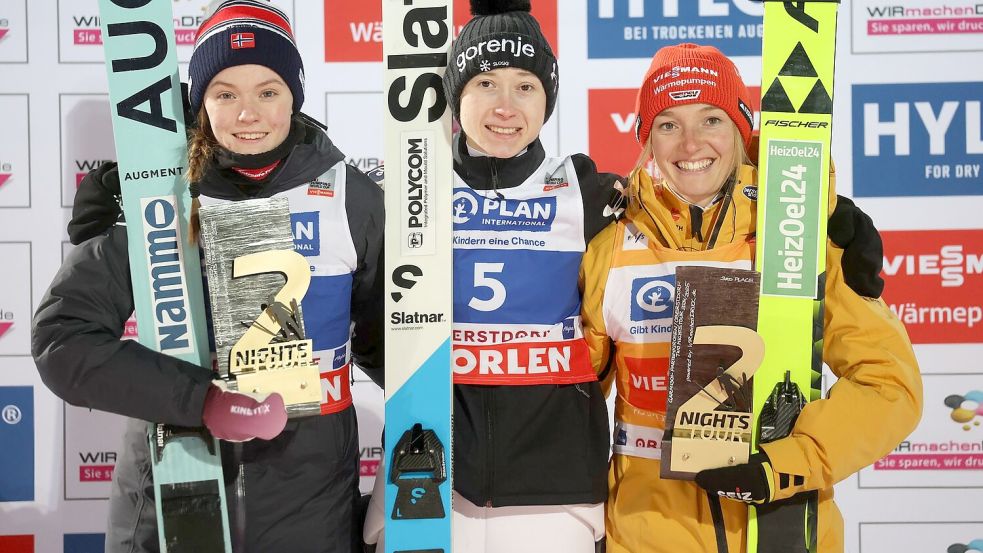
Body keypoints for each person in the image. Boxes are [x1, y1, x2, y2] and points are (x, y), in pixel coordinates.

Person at [31, 2, 384, 552]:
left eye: (268, 92)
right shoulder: (156, 195)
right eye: (225, 94)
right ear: (200, 101)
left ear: (294, 95)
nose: (248, 114)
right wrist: (203, 400)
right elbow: (63, 339)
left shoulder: (347, 196)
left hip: (308, 507)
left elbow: (396, 342)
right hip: (172, 492)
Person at [578, 43, 923, 553]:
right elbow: (565, 395)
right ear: (647, 139)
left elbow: (888, 384)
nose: (690, 143)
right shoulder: (608, 245)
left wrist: (785, 465)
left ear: (741, 130)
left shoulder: (798, 235)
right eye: (668, 124)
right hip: (646, 533)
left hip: (780, 528)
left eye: (711, 119)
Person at [363, 1, 620, 551]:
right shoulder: (405, 191)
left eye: (525, 86)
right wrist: (409, 375)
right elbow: (361, 312)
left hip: (554, 489)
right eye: (485, 83)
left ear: (547, 98)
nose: (506, 106)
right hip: (427, 472)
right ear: (456, 94)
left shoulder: (588, 192)